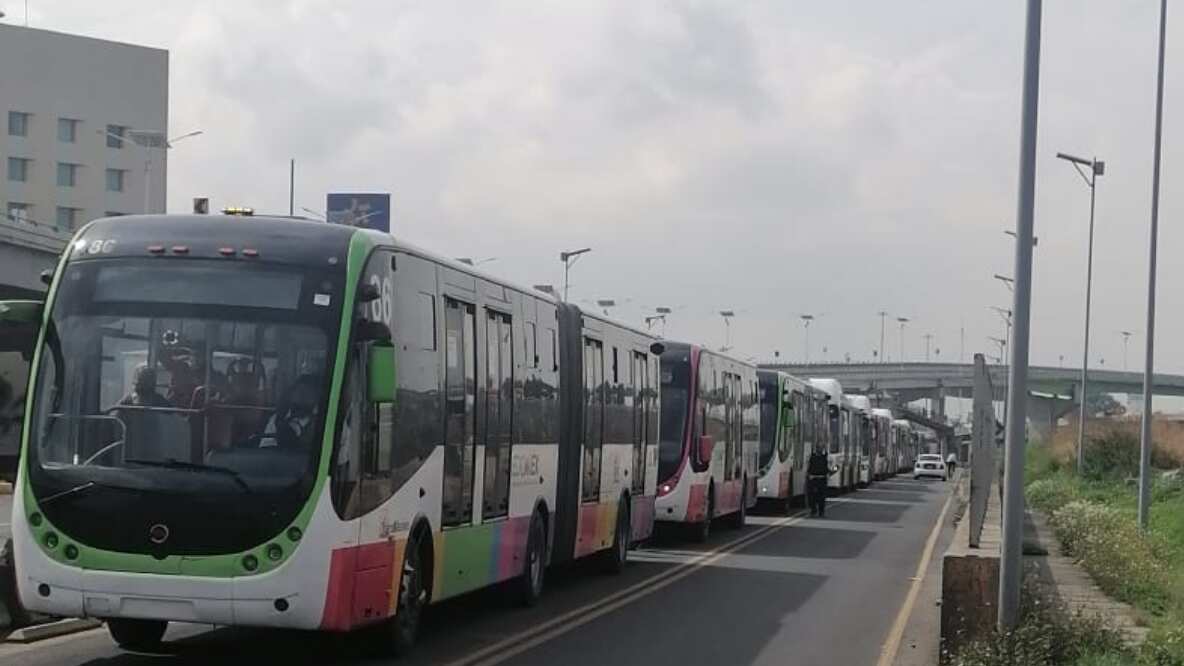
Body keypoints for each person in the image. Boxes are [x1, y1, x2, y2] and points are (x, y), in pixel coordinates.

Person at [807, 445, 831, 517]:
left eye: (820, 449)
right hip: (815, 479)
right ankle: (815, 510)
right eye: (818, 448)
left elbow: (826, 469)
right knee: (813, 496)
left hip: (820, 479)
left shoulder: (823, 457)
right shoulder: (813, 457)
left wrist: (827, 474)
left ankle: (820, 511)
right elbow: (809, 468)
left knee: (820, 497)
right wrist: (809, 475)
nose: (819, 450)